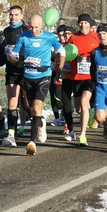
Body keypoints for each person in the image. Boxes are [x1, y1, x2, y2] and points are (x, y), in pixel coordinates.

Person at [8, 14, 65, 155]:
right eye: (31, 27)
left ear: (42, 26)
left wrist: (60, 68)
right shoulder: (24, 37)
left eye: (37, 27)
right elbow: (12, 54)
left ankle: (32, 142)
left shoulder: (49, 37)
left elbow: (62, 51)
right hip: (28, 77)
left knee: (37, 106)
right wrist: (17, 62)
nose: (34, 30)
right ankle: (41, 123)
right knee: (30, 109)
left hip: (44, 76)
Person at [0, 5, 29, 148]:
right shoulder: (6, 31)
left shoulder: (26, 30)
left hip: (26, 70)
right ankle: (11, 133)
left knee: (28, 104)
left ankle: (37, 126)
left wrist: (21, 60)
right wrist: (4, 58)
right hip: (11, 71)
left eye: (16, 15)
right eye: (11, 15)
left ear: (21, 16)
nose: (13, 17)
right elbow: (7, 47)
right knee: (12, 103)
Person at [67, 13, 100, 146]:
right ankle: (89, 112)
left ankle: (82, 135)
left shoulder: (95, 37)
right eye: (81, 23)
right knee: (79, 108)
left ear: (89, 24)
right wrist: (74, 57)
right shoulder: (73, 37)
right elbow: (67, 54)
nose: (83, 25)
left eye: (85, 23)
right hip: (76, 75)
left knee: (84, 101)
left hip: (90, 76)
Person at [50, 24, 66, 127]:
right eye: (59, 35)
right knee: (53, 94)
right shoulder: (55, 44)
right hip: (54, 72)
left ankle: (64, 114)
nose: (61, 38)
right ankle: (56, 118)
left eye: (63, 35)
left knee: (62, 97)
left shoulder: (69, 44)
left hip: (65, 73)